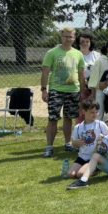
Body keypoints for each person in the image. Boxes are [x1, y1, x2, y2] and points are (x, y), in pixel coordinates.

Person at [41, 27, 87, 157]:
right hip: (56, 90)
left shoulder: (78, 54)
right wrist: (44, 90)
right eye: (65, 36)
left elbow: (81, 74)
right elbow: (45, 72)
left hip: (73, 91)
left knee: (69, 118)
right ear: (61, 37)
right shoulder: (52, 53)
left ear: (74, 38)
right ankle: (49, 147)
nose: (68, 39)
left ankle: (68, 144)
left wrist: (82, 91)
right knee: (53, 118)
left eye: (70, 36)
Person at [66, 100, 108, 178]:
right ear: (84, 112)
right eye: (92, 112)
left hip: (94, 157)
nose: (95, 114)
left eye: (96, 112)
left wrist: (103, 140)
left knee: (80, 174)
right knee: (70, 174)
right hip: (82, 157)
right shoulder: (78, 127)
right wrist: (76, 143)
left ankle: (97, 168)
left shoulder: (100, 124)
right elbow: (73, 143)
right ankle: (90, 169)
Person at [87, 39, 108, 118]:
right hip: (101, 92)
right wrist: (93, 96)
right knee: (99, 115)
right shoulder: (100, 61)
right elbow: (93, 80)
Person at [75, 32, 100, 107]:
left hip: (95, 87)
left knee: (95, 109)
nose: (85, 43)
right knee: (82, 110)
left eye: (87, 41)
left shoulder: (97, 55)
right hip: (80, 87)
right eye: (82, 41)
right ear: (78, 43)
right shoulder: (75, 55)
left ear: (90, 43)